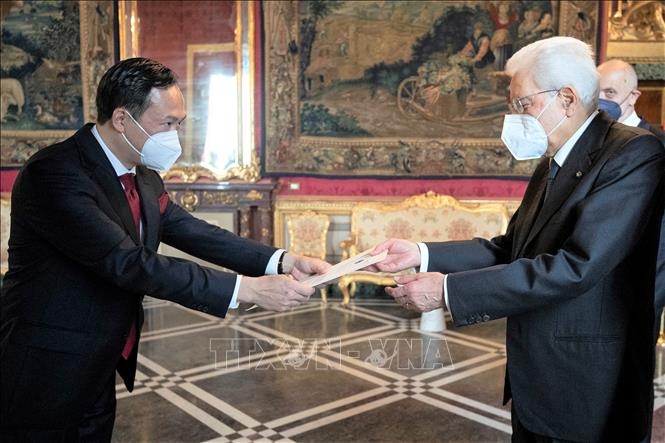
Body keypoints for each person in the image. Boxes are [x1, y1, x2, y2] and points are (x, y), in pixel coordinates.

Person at [0, 57, 331, 441]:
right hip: (47, 360)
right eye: (167, 124)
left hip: (102, 356)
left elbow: (192, 231)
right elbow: (127, 262)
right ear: (122, 119)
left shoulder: (143, 175)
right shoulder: (55, 173)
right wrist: (247, 289)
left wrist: (282, 261)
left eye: (180, 123)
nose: (175, 135)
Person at [370, 37, 665, 442]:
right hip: (539, 378)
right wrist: (420, 254)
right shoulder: (553, 162)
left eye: (522, 104)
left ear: (566, 98)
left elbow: (576, 266)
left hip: (586, 385)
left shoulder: (634, 154)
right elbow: (510, 249)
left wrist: (449, 292)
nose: (515, 115)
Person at [597, 58, 665, 144]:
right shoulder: (589, 137)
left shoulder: (660, 142)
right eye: (595, 92)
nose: (599, 98)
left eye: (610, 92)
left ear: (633, 97)